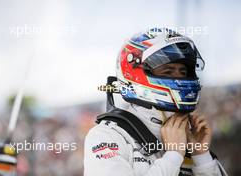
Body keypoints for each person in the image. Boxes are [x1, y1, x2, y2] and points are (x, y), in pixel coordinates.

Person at [84, 28, 227, 176]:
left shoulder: (189, 136)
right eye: (168, 71)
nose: (179, 79)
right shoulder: (107, 136)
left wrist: (201, 155)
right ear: (136, 73)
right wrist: (173, 156)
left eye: (183, 72)